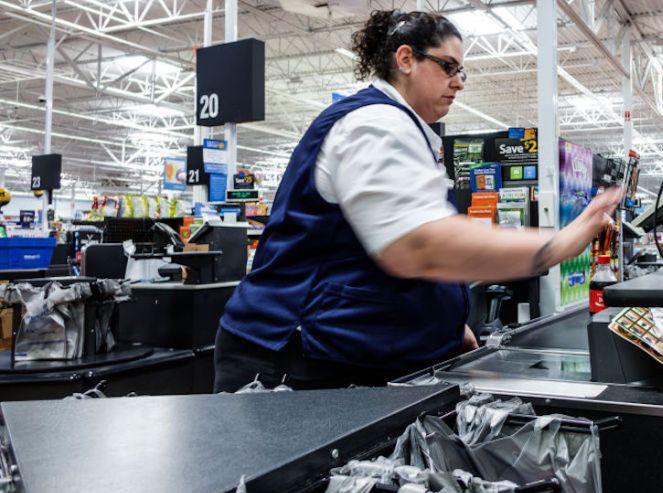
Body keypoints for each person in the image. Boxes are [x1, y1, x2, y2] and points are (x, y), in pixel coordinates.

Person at [213, 10, 622, 392]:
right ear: (406, 59)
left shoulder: (403, 130)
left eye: (461, 71)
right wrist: (561, 243)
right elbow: (421, 246)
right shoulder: (374, 124)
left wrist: (443, 325)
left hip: (338, 354)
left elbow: (384, 245)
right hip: (290, 360)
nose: (459, 81)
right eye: (448, 66)